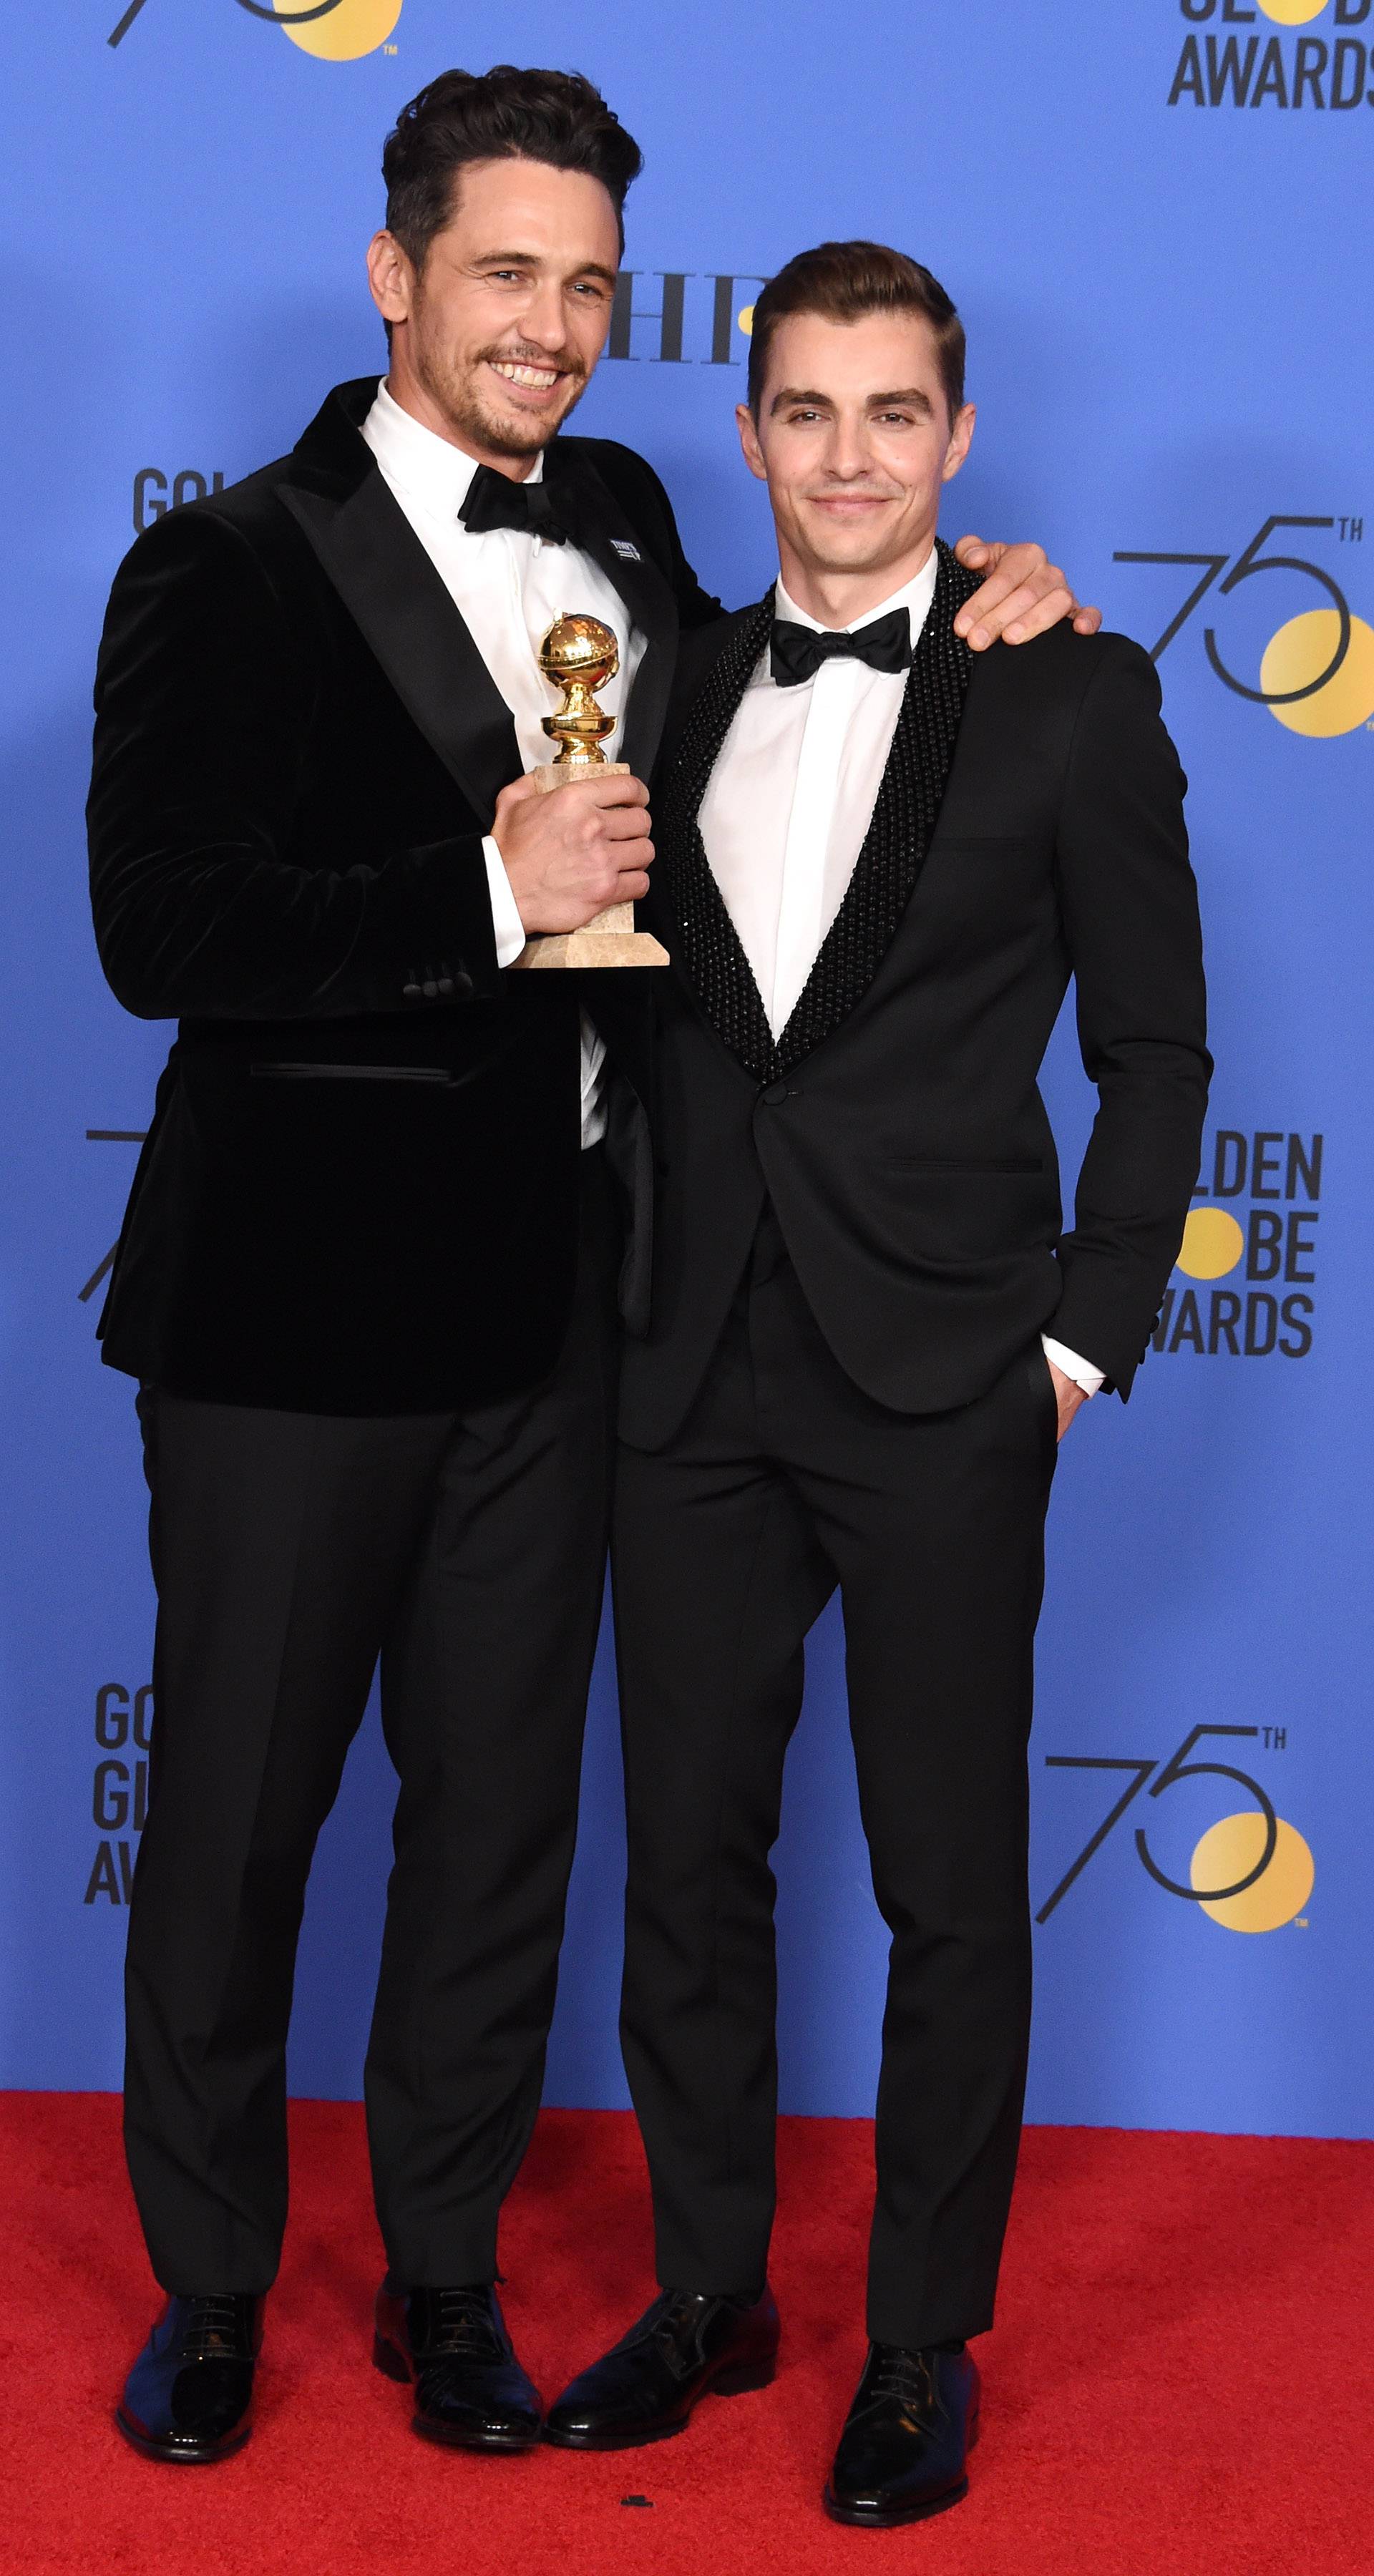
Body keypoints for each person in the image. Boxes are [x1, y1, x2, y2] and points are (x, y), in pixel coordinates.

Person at [89, 68, 1096, 2467]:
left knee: (500, 1833)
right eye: (503, 273)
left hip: (573, 1318)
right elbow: (165, 929)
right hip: (285, 1329)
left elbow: (827, 659)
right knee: (235, 1825)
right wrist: (483, 894)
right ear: (397, 276)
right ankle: (213, 2284)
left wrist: (1000, 606)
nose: (549, 325)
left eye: (585, 283)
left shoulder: (639, 518)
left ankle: (447, 2275)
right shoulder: (220, 566)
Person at [544, 241, 1209, 2526]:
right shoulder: (671, 674)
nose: (847, 459)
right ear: (746, 436)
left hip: (943, 1374)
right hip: (690, 1360)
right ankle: (709, 2287)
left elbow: (1156, 1057)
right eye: (805, 414)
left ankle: (919, 2342)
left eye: (892, 416)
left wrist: (1072, 1347)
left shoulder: (1073, 695)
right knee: (689, 1867)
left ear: (958, 436)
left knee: (945, 1879)